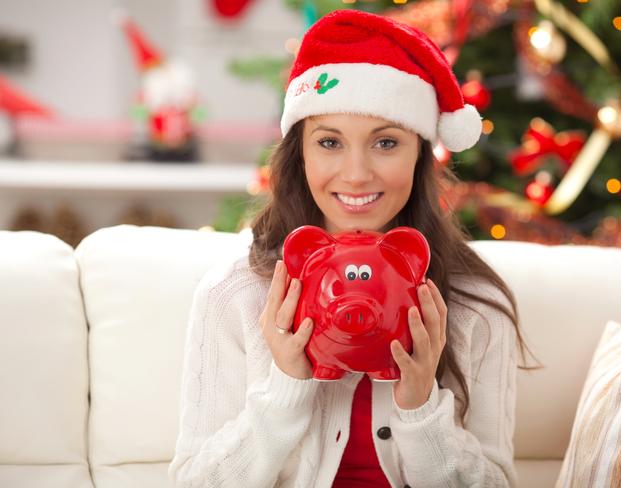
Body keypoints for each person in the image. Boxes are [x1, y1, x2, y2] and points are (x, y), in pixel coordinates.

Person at [168, 8, 537, 488]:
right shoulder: (233, 295)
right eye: (329, 142)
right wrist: (286, 388)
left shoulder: (475, 309)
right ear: (299, 151)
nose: (357, 173)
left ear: (421, 153)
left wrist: (420, 407)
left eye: (386, 143)